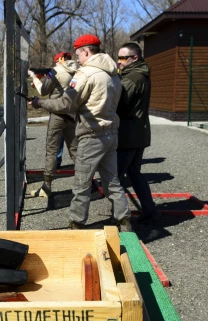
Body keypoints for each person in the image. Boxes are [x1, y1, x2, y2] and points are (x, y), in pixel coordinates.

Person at [30, 34, 132, 232]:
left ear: (86, 51)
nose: (77, 58)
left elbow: (65, 103)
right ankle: (124, 222)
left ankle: (76, 225)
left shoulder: (85, 74)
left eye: (78, 54)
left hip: (92, 135)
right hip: (111, 134)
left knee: (81, 185)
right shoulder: (113, 73)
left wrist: (40, 103)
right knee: (112, 182)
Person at [116, 42, 161, 222]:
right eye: (118, 57)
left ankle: (120, 218)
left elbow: (120, 102)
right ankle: (150, 210)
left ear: (134, 58)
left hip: (129, 134)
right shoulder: (137, 74)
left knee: (114, 177)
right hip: (137, 133)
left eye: (122, 58)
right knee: (134, 173)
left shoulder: (133, 77)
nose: (118, 62)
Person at [28, 52, 79, 198]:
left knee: (52, 149)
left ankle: (46, 186)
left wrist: (34, 77)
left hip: (57, 114)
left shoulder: (56, 71)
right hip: (72, 113)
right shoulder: (78, 69)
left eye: (56, 61)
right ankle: (83, 184)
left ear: (60, 61)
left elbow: (43, 91)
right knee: (75, 150)